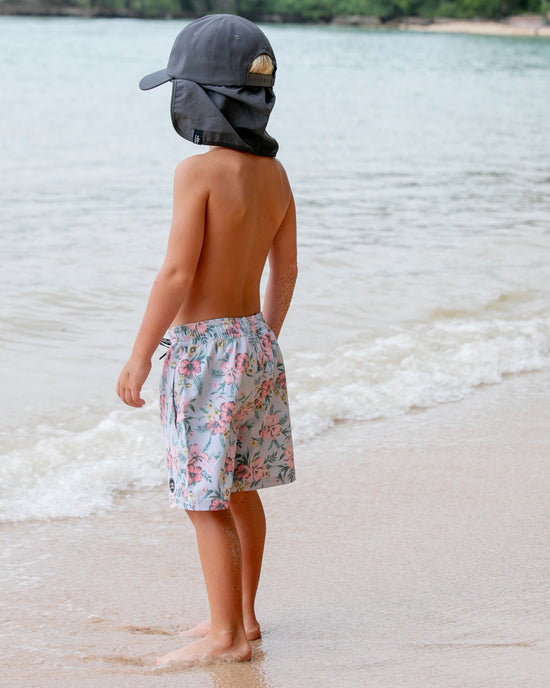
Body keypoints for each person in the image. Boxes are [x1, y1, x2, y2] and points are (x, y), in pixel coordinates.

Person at [116, 14, 297, 665]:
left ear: (197, 97)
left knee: (203, 496)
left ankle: (226, 638)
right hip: (255, 341)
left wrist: (140, 355)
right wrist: (260, 344)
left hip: (203, 352)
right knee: (241, 486)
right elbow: (286, 271)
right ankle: (243, 617)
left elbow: (176, 273)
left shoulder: (196, 172)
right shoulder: (275, 175)